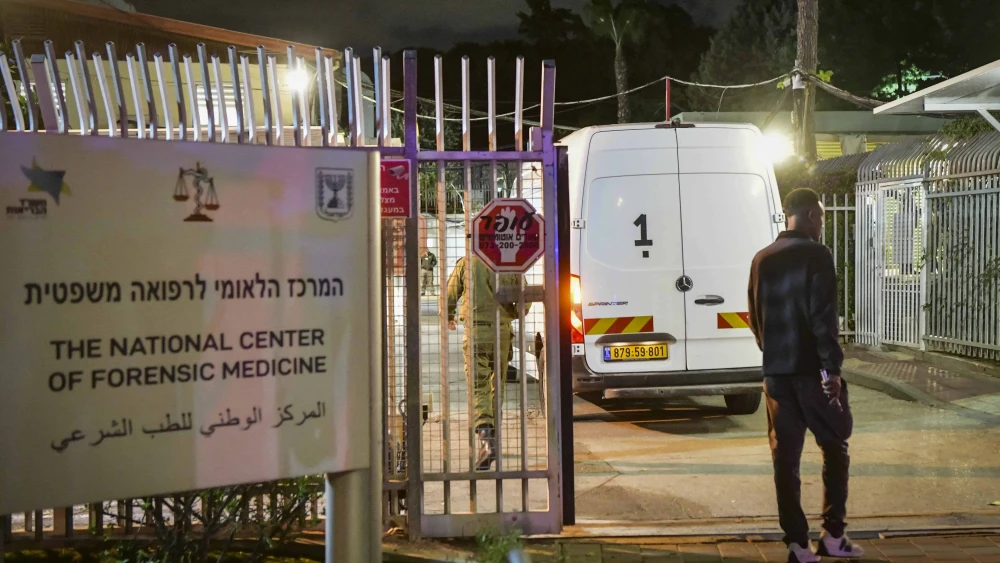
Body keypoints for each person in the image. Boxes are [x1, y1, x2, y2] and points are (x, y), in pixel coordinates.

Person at [747, 188, 864, 563]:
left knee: (786, 460)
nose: (823, 223)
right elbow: (822, 315)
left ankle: (797, 544)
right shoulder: (818, 254)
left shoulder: (761, 258)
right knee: (835, 446)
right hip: (813, 373)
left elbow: (754, 316)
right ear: (812, 215)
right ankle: (833, 535)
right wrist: (832, 368)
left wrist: (773, 353)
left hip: (777, 374)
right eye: (823, 217)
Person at [446, 255, 524, 470]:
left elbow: (450, 293)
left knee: (478, 385)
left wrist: (447, 315)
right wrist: (515, 313)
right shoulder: (510, 261)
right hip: (502, 331)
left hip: (476, 330)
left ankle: (486, 438)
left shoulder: (467, 262)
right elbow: (524, 295)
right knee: (496, 385)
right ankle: (493, 437)